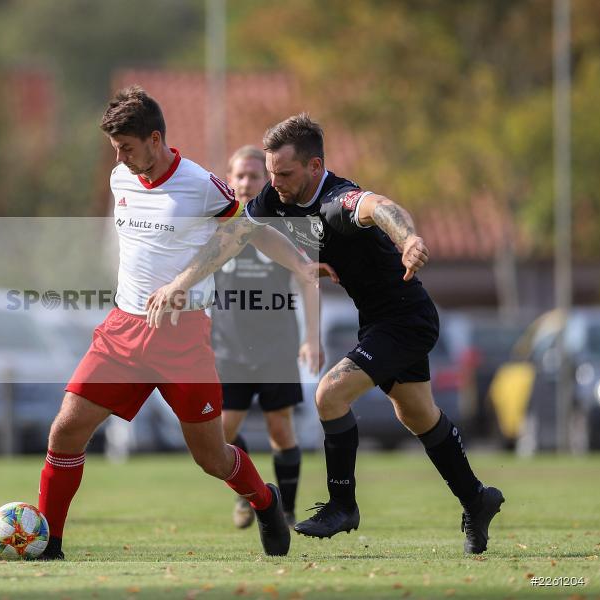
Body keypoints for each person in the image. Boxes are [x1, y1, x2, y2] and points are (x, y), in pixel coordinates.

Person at [146, 114, 504, 555]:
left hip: (407, 319)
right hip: (378, 321)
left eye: (285, 173)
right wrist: (181, 283)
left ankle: (343, 504)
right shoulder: (275, 198)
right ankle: (477, 499)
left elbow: (381, 207)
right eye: (271, 172)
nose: (274, 182)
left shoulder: (338, 200)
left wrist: (408, 238)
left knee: (329, 394)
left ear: (315, 167)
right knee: (417, 415)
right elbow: (235, 236)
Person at [34, 87, 332, 560]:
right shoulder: (119, 179)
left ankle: (265, 500)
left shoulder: (199, 184)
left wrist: (299, 262)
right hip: (122, 332)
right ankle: (48, 543)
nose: (120, 157)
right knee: (65, 431)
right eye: (115, 148)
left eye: (127, 147)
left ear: (155, 139)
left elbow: (249, 230)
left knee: (212, 458)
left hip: (182, 337)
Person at [211, 145, 324, 530]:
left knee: (280, 428)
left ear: (267, 182)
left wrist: (312, 337)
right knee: (221, 432)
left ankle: (286, 512)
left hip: (277, 344)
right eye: (239, 175)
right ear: (229, 180)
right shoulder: (216, 225)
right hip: (228, 346)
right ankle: (250, 493)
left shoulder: (285, 224)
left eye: (254, 176)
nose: (246, 182)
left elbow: (308, 280)